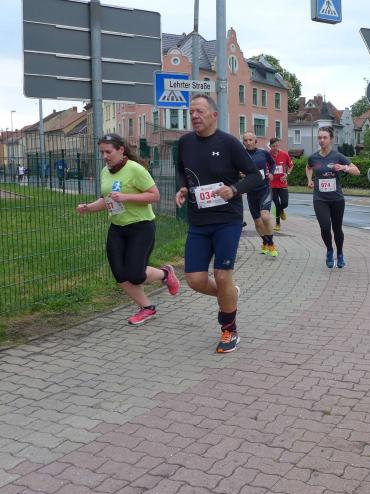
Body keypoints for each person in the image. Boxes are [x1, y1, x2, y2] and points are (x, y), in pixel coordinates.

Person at [175, 94, 263, 353]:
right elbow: (181, 170)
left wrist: (234, 189)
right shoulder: (185, 143)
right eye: (191, 112)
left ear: (214, 115)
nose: (194, 116)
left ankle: (229, 329)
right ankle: (229, 294)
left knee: (222, 275)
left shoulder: (229, 143)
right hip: (199, 221)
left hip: (227, 220)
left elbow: (255, 176)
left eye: (199, 111)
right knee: (194, 280)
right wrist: (183, 187)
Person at [76, 133, 180, 325]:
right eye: (102, 152)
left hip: (141, 227)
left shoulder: (135, 169)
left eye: (109, 152)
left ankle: (166, 273)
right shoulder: (105, 171)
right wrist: (88, 208)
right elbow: (107, 199)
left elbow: (155, 196)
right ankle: (147, 308)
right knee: (119, 273)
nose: (105, 156)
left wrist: (126, 197)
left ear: (121, 150)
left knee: (135, 275)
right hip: (117, 227)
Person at [306, 126, 361, 269]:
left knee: (337, 228)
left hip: (337, 199)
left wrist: (344, 168)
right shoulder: (313, 157)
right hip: (320, 198)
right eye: (319, 137)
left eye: (325, 137)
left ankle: (340, 253)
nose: (322, 140)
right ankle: (330, 251)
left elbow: (357, 171)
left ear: (330, 139)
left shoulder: (338, 156)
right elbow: (309, 167)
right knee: (325, 227)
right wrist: (310, 180)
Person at [242, 132, 277, 256]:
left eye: (250, 140)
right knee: (257, 222)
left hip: (264, 189)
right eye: (245, 140)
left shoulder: (263, 153)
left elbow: (272, 163)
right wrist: (240, 174)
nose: (248, 142)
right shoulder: (241, 155)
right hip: (251, 192)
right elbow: (235, 170)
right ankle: (265, 241)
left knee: (265, 216)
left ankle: (271, 243)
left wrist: (271, 173)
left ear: (255, 141)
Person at [269, 137, 293, 232]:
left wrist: (287, 174)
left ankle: (281, 210)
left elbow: (291, 165)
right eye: (273, 146)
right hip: (272, 185)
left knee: (285, 203)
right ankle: (277, 223)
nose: (275, 148)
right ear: (270, 146)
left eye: (277, 146)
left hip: (282, 183)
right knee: (277, 204)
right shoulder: (267, 155)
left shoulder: (284, 155)